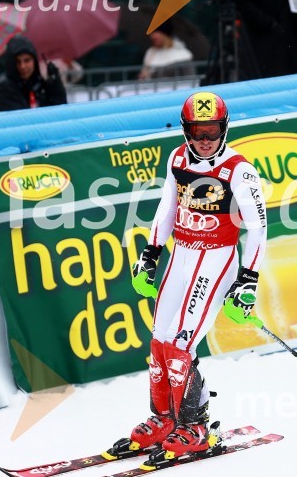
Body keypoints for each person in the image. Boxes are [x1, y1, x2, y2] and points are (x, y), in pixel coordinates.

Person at [111, 92, 267, 462]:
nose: (205, 140)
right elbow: (167, 206)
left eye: (212, 131)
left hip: (215, 260)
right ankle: (164, 418)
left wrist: (248, 279)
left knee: (182, 344)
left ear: (224, 128)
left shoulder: (239, 170)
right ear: (187, 131)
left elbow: (258, 229)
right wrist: (151, 253)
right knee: (159, 341)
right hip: (181, 255)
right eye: (198, 131)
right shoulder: (178, 158)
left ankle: (196, 425)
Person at [0, 36, 67, 112]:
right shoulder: (3, 89)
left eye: (27, 60)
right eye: (17, 62)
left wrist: (55, 87)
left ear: (34, 61)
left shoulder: (38, 84)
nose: (23, 66)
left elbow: (59, 112)